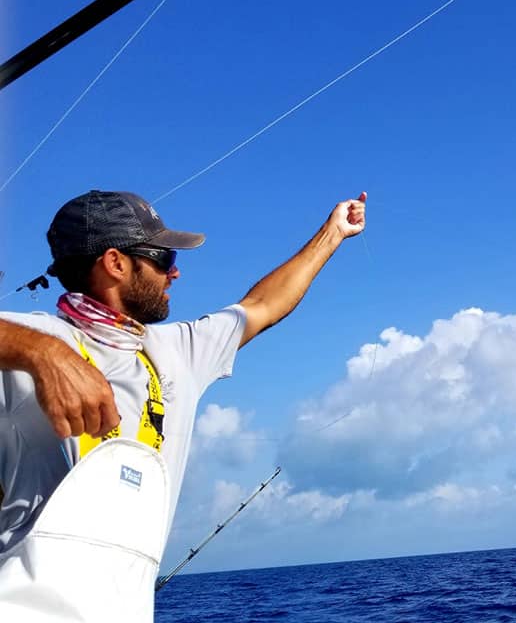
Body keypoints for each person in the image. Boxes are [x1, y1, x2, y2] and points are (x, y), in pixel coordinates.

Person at [0, 188, 366, 557]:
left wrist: (333, 232)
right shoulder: (28, 346)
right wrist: (42, 353)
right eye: (164, 257)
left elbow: (262, 305)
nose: (175, 272)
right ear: (115, 263)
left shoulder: (176, 351)